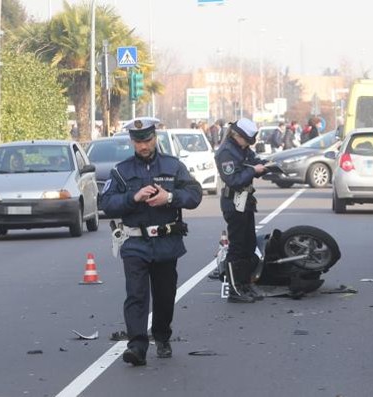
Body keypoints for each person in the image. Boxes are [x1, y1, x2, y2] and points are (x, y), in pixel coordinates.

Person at [99, 117, 203, 366]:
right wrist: (133, 198)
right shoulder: (121, 171)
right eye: (137, 141)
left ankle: (162, 336)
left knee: (165, 295)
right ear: (132, 142)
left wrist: (170, 197)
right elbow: (106, 204)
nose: (143, 146)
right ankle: (137, 346)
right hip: (134, 242)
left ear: (155, 138)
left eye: (146, 140)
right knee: (136, 294)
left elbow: (195, 194)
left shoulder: (173, 166)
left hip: (166, 242)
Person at [214, 118, 268, 303]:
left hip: (245, 201)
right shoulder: (226, 152)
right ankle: (234, 289)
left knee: (248, 244)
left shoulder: (242, 149)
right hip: (233, 202)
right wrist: (254, 171)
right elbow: (234, 180)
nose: (247, 144)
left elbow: (253, 161)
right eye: (246, 140)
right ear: (236, 135)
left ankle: (245, 283)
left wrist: (266, 166)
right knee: (237, 248)